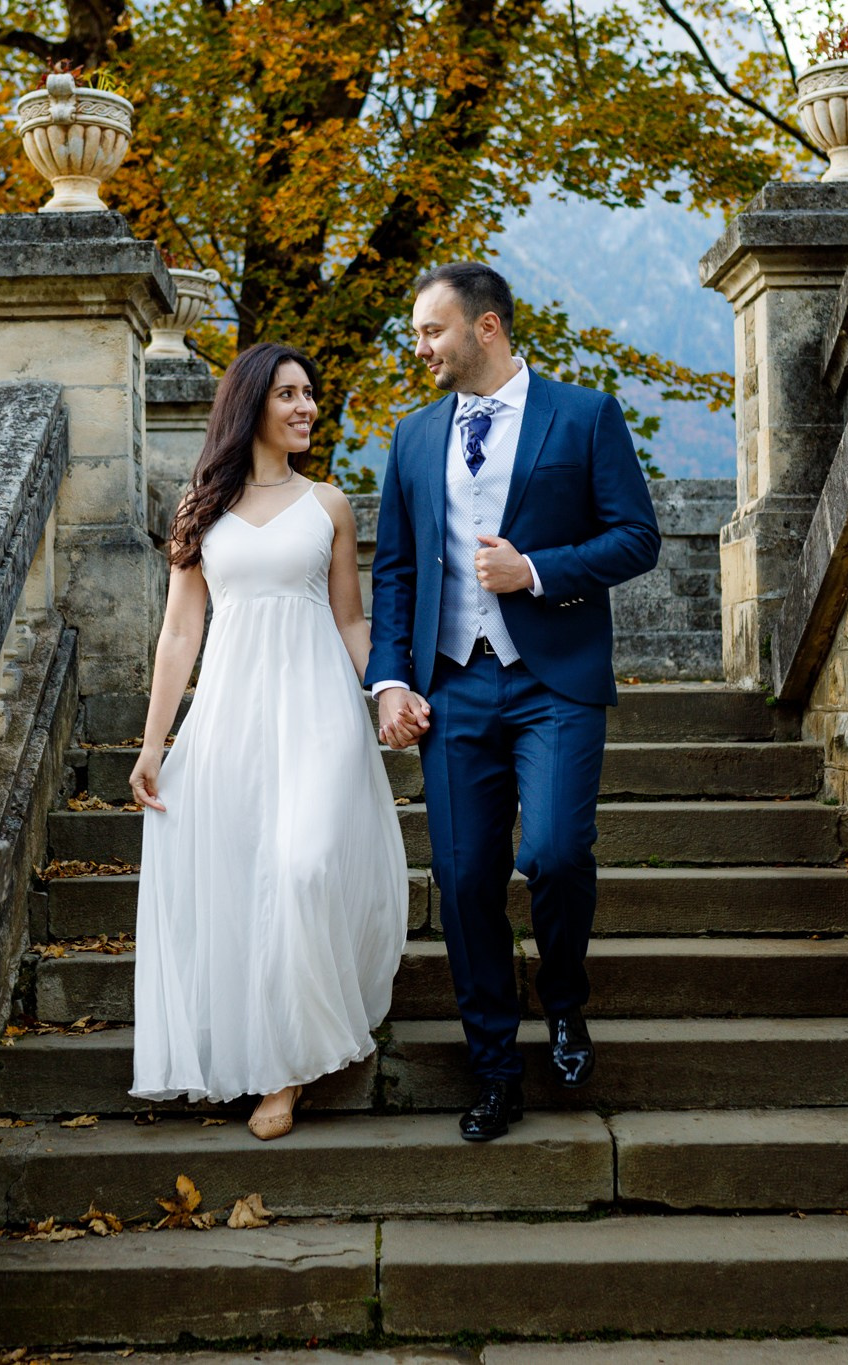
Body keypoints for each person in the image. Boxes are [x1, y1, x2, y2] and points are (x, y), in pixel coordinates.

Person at [366, 262, 661, 1142]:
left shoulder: (585, 415)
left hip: (552, 679)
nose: (420, 348)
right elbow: (395, 569)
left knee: (559, 853)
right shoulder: (413, 437)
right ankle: (495, 1069)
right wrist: (389, 680)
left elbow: (636, 537)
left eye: (432, 331)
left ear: (486, 328)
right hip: (453, 686)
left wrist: (535, 570)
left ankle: (564, 1001)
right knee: (462, 884)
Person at [128, 342, 408, 1141]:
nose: (305, 407)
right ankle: (265, 1055)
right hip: (230, 716)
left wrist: (390, 690)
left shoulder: (329, 505)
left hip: (319, 711)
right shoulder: (201, 508)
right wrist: (154, 744)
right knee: (243, 875)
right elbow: (180, 630)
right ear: (250, 404)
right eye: (288, 394)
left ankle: (290, 1068)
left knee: (304, 863)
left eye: (310, 394)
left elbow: (352, 620)